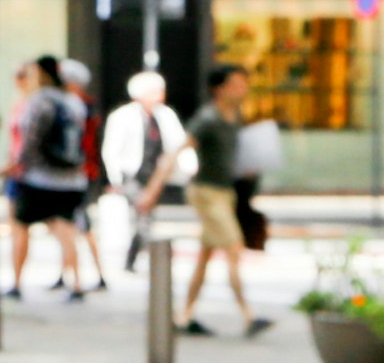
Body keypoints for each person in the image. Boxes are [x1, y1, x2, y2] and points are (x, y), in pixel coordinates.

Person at [3, 55, 101, 298]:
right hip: (71, 179)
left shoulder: (39, 102)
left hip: (38, 179)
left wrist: (15, 166)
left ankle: (16, 283)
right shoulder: (74, 103)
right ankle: (76, 283)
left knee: (21, 228)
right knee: (66, 231)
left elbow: (30, 140)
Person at [180, 63, 266, 336]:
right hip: (206, 193)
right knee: (233, 247)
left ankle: (184, 315)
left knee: (205, 256)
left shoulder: (235, 117)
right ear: (219, 89)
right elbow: (180, 149)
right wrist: (153, 189)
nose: (242, 90)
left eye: (244, 85)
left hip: (225, 192)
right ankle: (248, 316)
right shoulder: (208, 118)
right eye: (236, 85)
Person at [96, 68, 189, 274]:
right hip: (131, 175)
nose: (159, 96)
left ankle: (135, 258)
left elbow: (178, 144)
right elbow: (111, 150)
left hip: (155, 174)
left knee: (145, 216)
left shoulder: (165, 115)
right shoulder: (122, 117)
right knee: (143, 214)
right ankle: (140, 259)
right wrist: (115, 179)